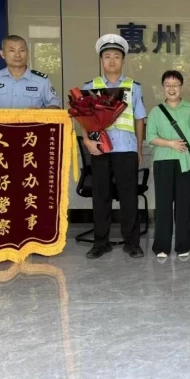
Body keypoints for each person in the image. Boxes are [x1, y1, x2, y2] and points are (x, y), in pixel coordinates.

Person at [80, 34, 147, 259]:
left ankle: (132, 243)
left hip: (126, 149)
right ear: (101, 60)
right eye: (107, 56)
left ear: (123, 60)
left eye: (116, 56)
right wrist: (87, 141)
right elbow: (81, 117)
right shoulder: (91, 86)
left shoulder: (133, 87)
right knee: (101, 197)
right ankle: (101, 243)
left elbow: (139, 119)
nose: (111, 61)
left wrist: (139, 149)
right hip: (100, 149)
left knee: (129, 197)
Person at [147, 70, 190, 259]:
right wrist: (170, 143)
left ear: (181, 87)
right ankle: (161, 246)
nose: (171, 89)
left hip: (185, 163)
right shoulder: (156, 111)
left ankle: (183, 244)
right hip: (163, 162)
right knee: (163, 206)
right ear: (162, 87)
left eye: (175, 85)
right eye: (168, 85)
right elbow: (150, 137)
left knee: (182, 206)